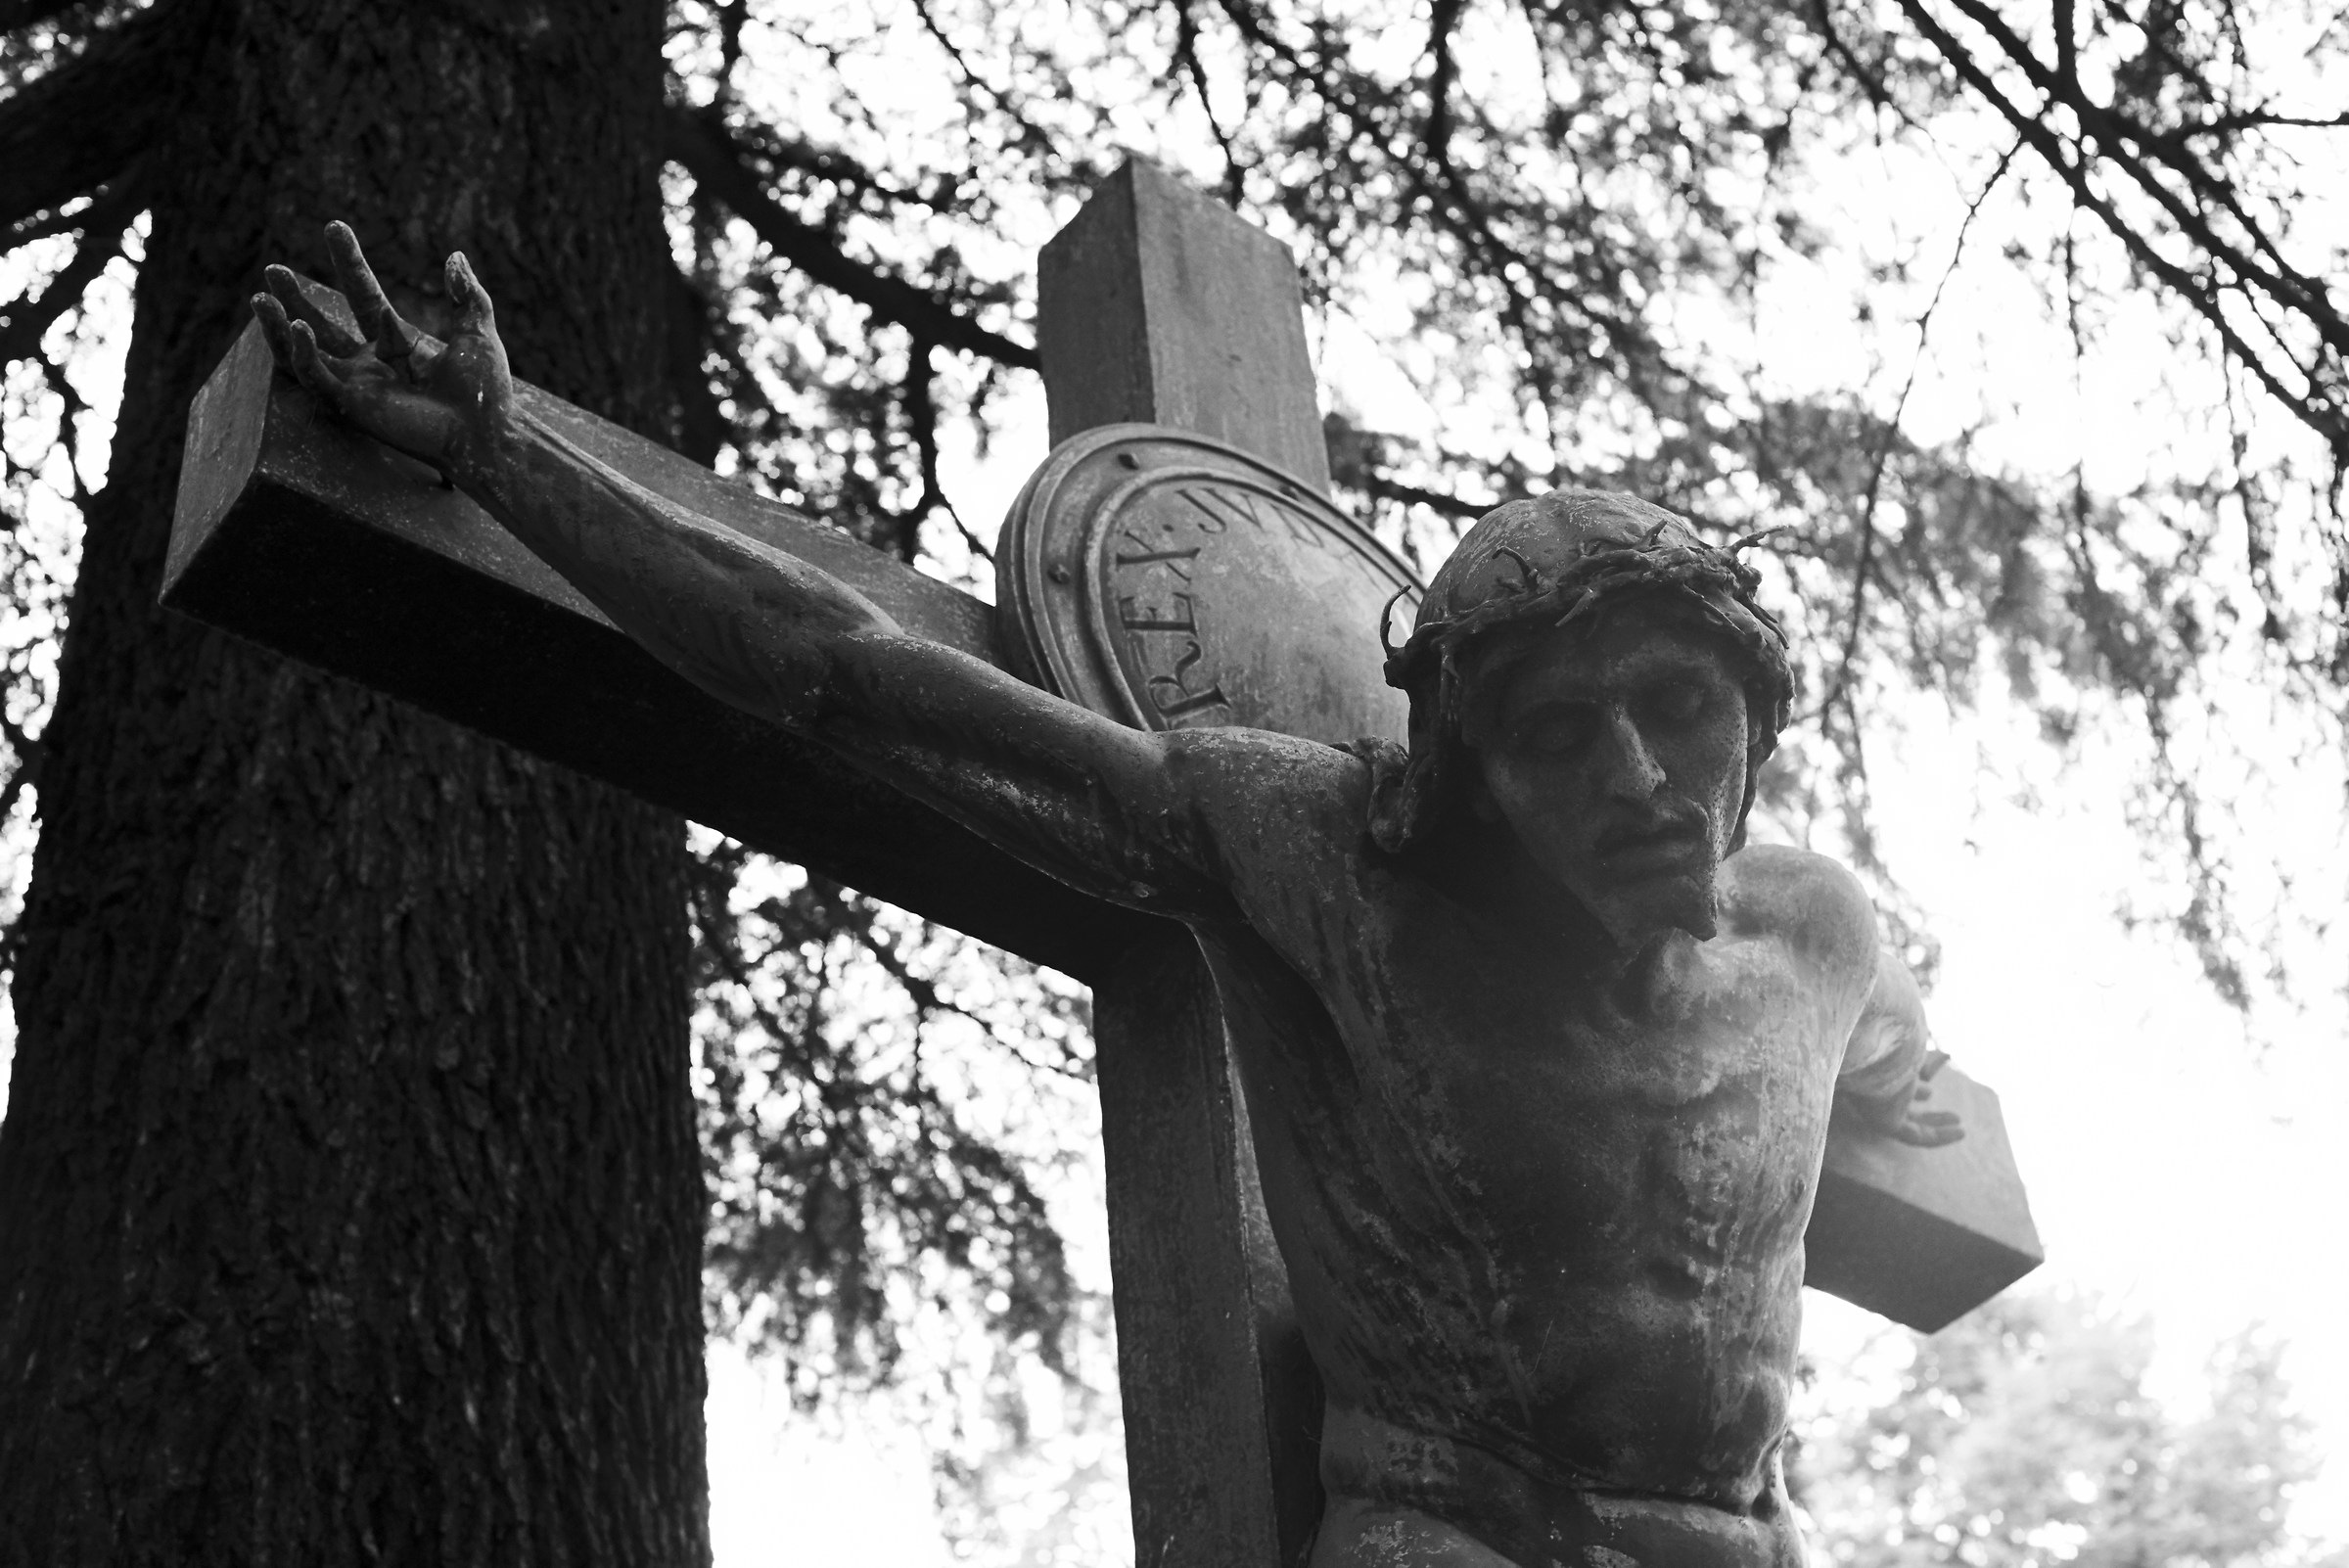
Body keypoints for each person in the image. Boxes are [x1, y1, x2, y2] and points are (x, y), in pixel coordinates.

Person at [253, 225, 1959, 1568]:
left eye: (1677, 709)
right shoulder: (1314, 867)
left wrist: (1906, 1071)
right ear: (1471, 776)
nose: (1642, 779)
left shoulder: (1820, 935)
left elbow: (1892, 1054)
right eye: (1562, 734)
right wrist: (502, 449)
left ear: (1754, 712)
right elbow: (844, 678)